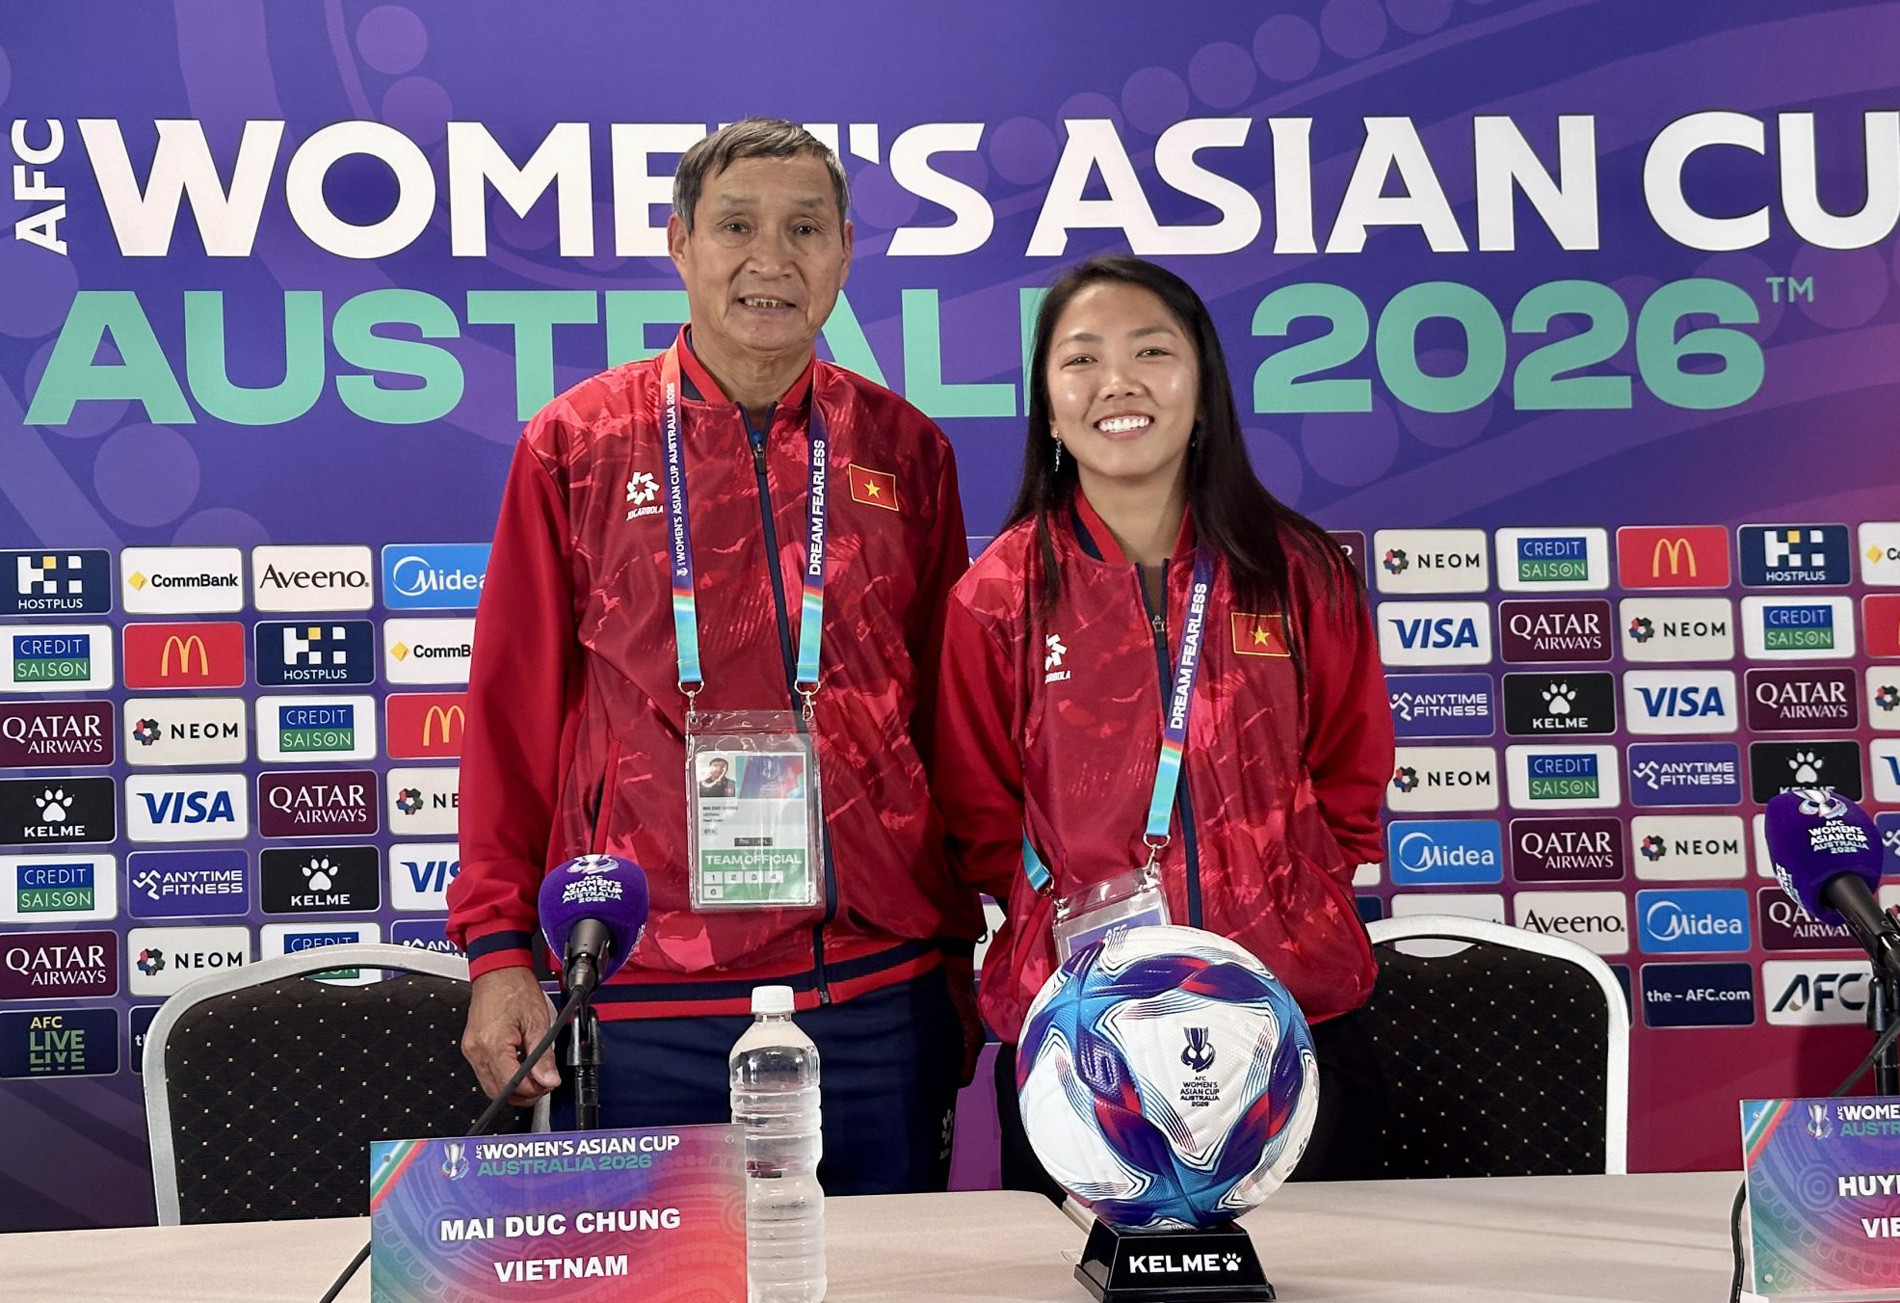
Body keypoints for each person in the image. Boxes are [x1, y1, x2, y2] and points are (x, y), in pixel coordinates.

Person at [447, 118, 983, 1194]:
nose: (770, 259)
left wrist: (959, 955)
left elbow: (950, 729)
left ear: (844, 252)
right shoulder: (578, 445)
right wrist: (499, 950)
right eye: (737, 226)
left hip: (872, 992)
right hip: (644, 989)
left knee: (890, 1271)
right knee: (668, 1271)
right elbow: (511, 716)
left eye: (805, 229)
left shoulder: (905, 451)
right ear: (680, 242)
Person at [930, 256, 1395, 1193]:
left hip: (1289, 1018)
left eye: (1151, 352)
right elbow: (978, 819)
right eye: (1082, 359)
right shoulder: (998, 596)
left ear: (1204, 388)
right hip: (1083, 1044)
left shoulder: (1297, 573)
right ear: (1048, 408)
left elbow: (1350, 775)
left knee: (1315, 1268)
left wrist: (1290, 895)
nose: (1118, 382)